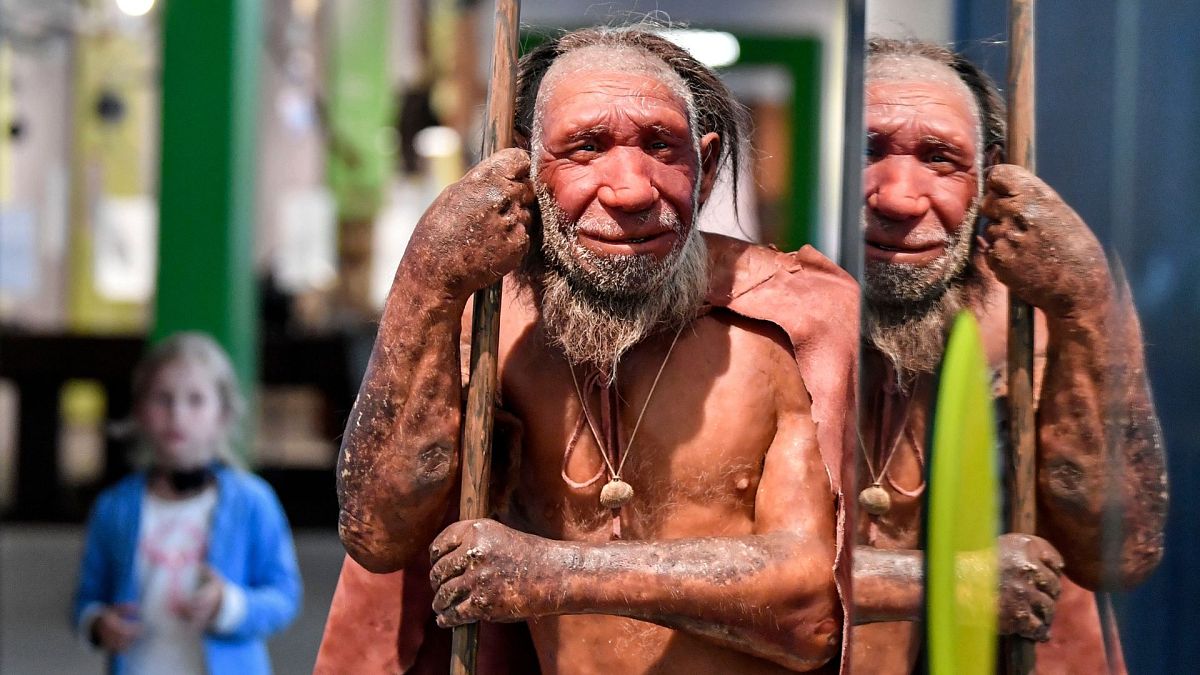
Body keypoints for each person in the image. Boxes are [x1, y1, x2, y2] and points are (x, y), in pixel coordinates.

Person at [320, 27, 860, 674]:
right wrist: (428, 273)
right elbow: (379, 533)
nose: (631, 189)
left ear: (707, 165)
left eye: (662, 147)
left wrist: (558, 573)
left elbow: (813, 610)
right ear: (524, 164)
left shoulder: (782, 326)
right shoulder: (492, 324)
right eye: (586, 147)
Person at [849, 37, 1168, 673]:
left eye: (940, 159)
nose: (899, 197)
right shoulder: (753, 304)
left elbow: (1120, 552)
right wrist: (952, 581)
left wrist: (1087, 304)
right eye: (868, 150)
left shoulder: (1039, 307)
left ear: (989, 170)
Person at [72, 332, 303, 675]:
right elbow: (86, 597)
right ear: (139, 410)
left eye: (195, 400)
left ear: (222, 414)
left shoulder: (253, 502)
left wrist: (231, 606)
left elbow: (285, 596)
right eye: (163, 399)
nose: (177, 414)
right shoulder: (113, 507)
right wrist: (96, 623)